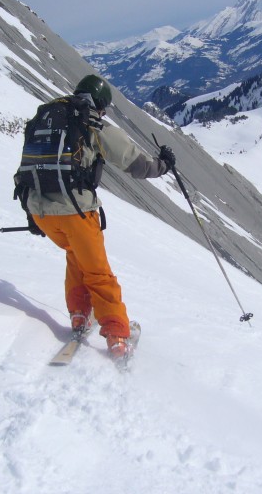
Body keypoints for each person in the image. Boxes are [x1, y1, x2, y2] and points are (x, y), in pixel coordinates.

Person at [20, 74, 175, 360]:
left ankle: (80, 314)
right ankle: (118, 336)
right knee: (98, 273)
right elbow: (138, 165)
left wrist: (33, 213)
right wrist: (164, 164)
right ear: (101, 104)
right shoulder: (93, 124)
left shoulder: (48, 118)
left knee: (75, 253)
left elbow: (27, 167)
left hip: (39, 210)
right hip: (75, 212)